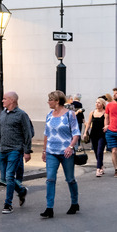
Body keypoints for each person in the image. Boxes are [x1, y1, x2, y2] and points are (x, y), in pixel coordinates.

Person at [0, 91, 32, 215]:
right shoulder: (3, 113)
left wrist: (27, 151)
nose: (2, 101)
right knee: (5, 178)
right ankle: (21, 191)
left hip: (15, 150)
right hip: (2, 150)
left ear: (12, 100)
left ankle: (8, 204)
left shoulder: (21, 115)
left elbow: (27, 133)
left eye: (4, 99)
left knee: (9, 176)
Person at [41, 90, 80, 218]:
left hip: (66, 152)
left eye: (50, 100)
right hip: (52, 151)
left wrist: (70, 147)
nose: (48, 102)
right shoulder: (49, 115)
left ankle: (74, 203)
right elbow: (46, 134)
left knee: (70, 179)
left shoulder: (70, 114)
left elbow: (76, 133)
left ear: (57, 101)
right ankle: (49, 208)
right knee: (50, 179)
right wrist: (44, 150)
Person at [82, 97, 107, 177]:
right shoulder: (92, 112)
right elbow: (89, 123)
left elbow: (107, 123)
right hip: (93, 134)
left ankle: (98, 169)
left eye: (99, 103)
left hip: (102, 135)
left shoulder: (106, 113)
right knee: (96, 151)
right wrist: (85, 132)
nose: (97, 104)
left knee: (100, 151)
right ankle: (101, 165)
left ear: (103, 104)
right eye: (96, 102)